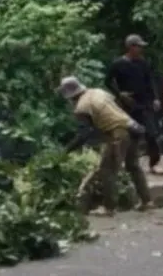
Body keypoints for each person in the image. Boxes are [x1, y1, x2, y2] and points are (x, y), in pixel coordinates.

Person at [59, 75, 153, 215]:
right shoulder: (98, 92)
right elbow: (114, 109)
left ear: (70, 96)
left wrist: (66, 150)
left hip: (118, 133)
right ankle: (147, 201)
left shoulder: (82, 107)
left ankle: (109, 207)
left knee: (107, 170)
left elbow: (84, 134)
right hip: (132, 127)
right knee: (133, 165)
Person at [105, 34, 163, 175]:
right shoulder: (118, 64)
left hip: (145, 104)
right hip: (128, 105)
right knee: (129, 136)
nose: (140, 49)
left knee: (151, 134)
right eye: (138, 46)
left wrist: (155, 98)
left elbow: (150, 80)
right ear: (130, 47)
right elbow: (107, 81)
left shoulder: (142, 63)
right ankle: (127, 163)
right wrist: (120, 94)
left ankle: (154, 163)